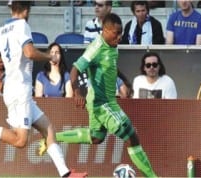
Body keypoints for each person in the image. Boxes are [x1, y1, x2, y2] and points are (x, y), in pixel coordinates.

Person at [0, 1, 87, 177]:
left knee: (48, 128)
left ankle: (65, 173)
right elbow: (29, 52)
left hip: (16, 89)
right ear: (27, 10)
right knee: (20, 140)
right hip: (20, 90)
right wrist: (49, 56)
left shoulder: (1, 31)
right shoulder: (23, 26)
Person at [39, 13, 157, 177]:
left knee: (96, 137)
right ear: (105, 30)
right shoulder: (95, 48)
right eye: (116, 33)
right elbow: (75, 69)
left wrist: (125, 81)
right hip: (102, 103)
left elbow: (111, 66)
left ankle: (51, 138)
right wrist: (77, 91)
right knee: (131, 136)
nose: (119, 36)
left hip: (101, 100)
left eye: (121, 32)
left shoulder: (112, 45)